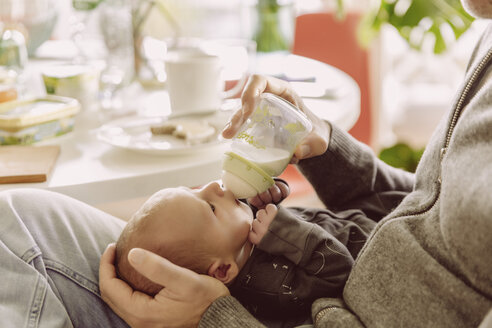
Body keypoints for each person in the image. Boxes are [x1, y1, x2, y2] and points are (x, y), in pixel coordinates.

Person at [99, 0, 492, 327]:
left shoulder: (269, 284)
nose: (212, 186)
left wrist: (212, 315)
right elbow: (428, 204)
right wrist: (324, 146)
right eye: (203, 200)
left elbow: (333, 263)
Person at [115, 179, 375, 326]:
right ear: (223, 270)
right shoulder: (274, 287)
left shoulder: (239, 247)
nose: (214, 187)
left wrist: (264, 202)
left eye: (193, 190)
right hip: (367, 252)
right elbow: (341, 271)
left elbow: (237, 232)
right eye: (211, 207)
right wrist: (286, 230)